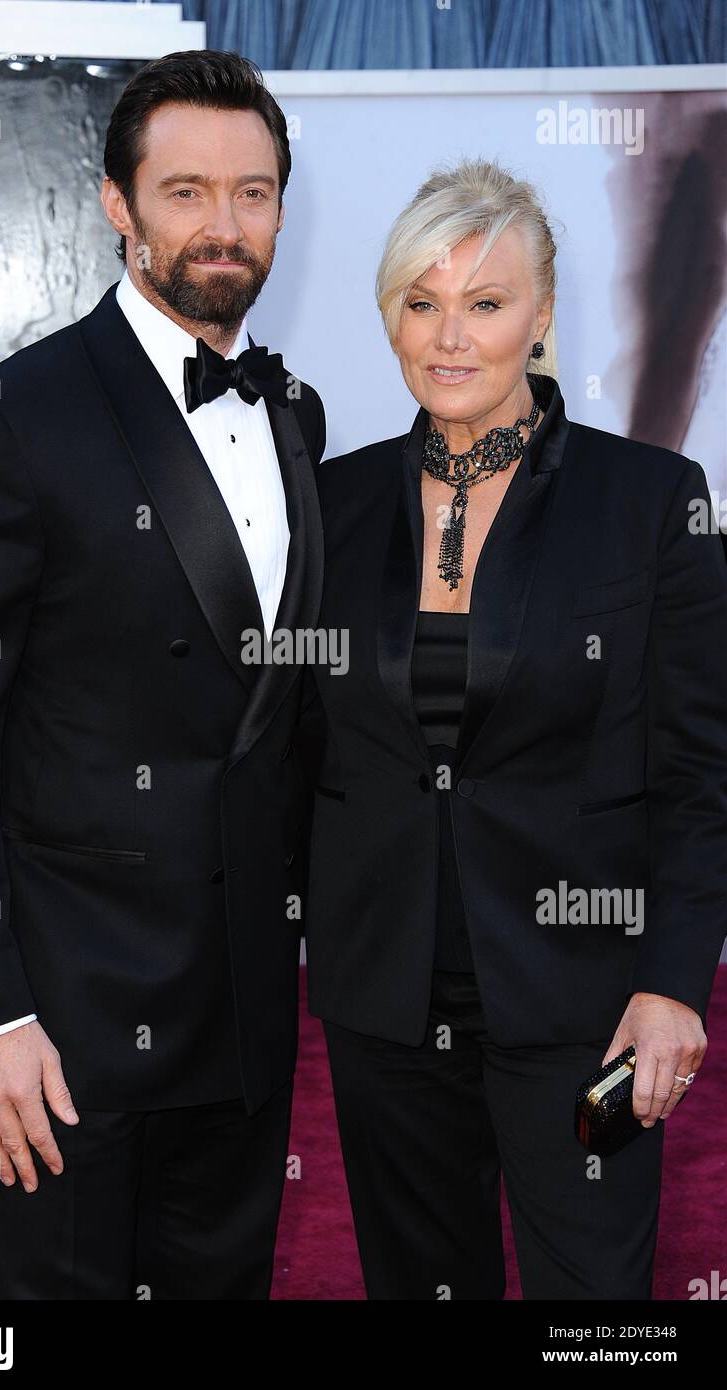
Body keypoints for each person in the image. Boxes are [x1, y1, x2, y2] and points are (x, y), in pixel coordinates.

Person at [0, 49, 325, 1300]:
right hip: (67, 1011)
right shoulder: (7, 422)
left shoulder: (296, 414)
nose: (224, 224)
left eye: (253, 192)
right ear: (117, 207)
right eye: (185, 191)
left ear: (284, 209)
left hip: (240, 1000)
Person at [297, 157, 727, 1300]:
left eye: (485, 304)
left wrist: (675, 984)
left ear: (539, 314)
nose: (449, 337)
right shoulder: (329, 505)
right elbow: (290, 747)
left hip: (584, 1002)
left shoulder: (649, 501)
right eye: (421, 302)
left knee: (593, 1302)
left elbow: (700, 771)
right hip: (385, 1003)